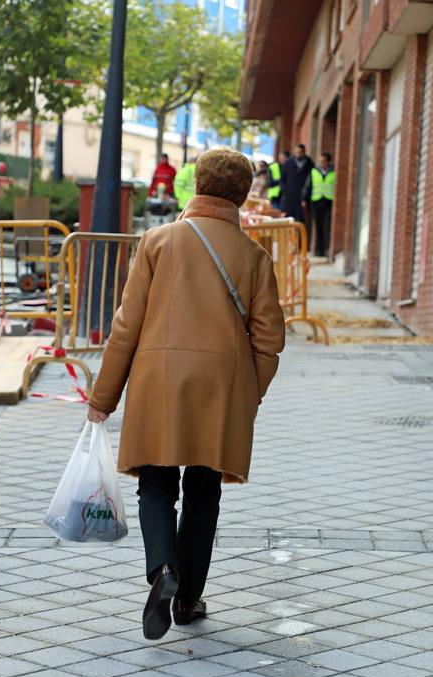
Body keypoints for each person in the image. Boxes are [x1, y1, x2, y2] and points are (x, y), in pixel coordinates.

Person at [86, 147, 286, 641]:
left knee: (155, 484)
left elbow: (125, 327)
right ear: (242, 193)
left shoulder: (158, 240)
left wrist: (102, 399)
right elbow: (269, 340)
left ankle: (162, 571)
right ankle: (188, 598)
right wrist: (247, 397)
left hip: (158, 379)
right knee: (203, 492)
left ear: (195, 184)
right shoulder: (255, 257)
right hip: (222, 388)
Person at [302, 152, 335, 258]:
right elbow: (308, 186)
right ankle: (319, 251)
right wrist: (304, 199)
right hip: (317, 202)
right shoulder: (314, 171)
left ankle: (328, 249)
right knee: (319, 227)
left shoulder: (334, 172)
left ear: (329, 162)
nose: (321, 163)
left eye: (324, 162)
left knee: (329, 227)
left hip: (329, 202)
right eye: (320, 161)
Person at [280, 143, 313, 222]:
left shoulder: (310, 165)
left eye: (300, 152)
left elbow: (310, 182)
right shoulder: (288, 163)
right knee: (288, 221)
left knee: (300, 221)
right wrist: (285, 191)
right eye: (297, 152)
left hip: (302, 199)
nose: (298, 154)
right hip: (289, 199)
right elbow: (282, 180)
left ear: (304, 152)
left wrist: (306, 197)